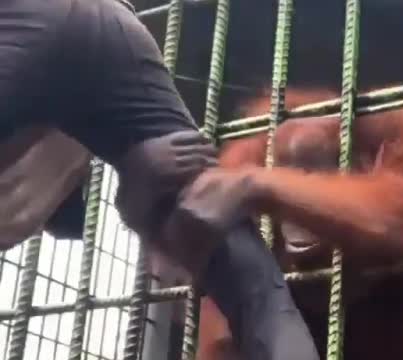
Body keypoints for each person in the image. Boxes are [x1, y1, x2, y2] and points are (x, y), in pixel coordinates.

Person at [0, 0, 319, 358]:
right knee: (258, 292)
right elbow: (71, 222)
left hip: (34, 23)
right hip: (113, 28)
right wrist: (136, 180)